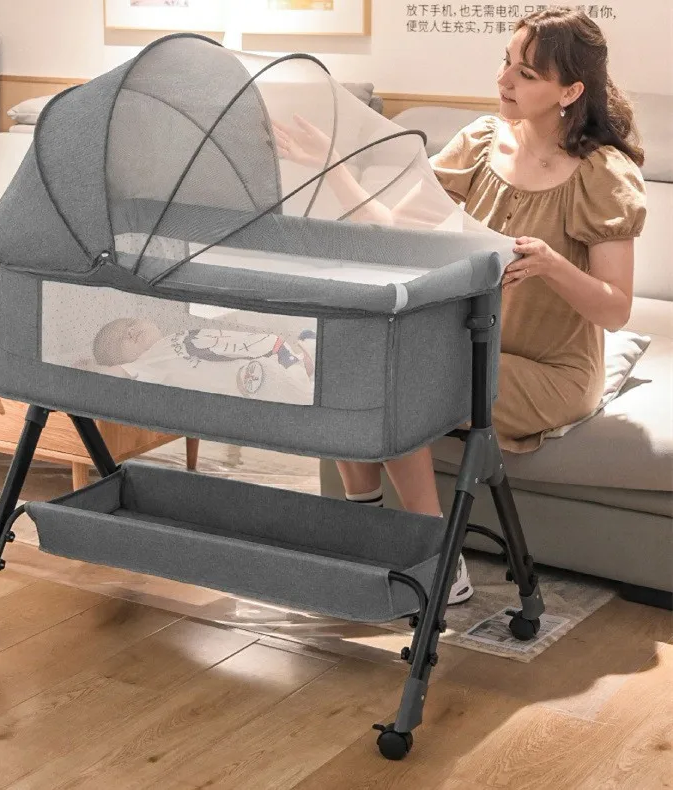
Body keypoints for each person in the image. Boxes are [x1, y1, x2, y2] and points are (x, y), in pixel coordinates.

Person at [272, 8, 647, 604]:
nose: (504, 80)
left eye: (526, 74)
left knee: (403, 379)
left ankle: (436, 558)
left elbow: (615, 311)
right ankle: (365, 528)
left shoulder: (602, 175)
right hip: (470, 343)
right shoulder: (478, 144)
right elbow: (397, 231)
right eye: (506, 62)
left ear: (570, 92)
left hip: (552, 372)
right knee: (342, 357)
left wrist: (552, 264)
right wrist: (332, 164)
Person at [83, 316, 317, 403]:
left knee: (277, 351)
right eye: (121, 339)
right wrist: (88, 369)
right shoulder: (144, 366)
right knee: (276, 382)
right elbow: (111, 376)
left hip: (261, 352)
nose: (131, 331)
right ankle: (302, 374)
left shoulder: (173, 336)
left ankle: (303, 359)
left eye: (130, 323)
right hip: (255, 378)